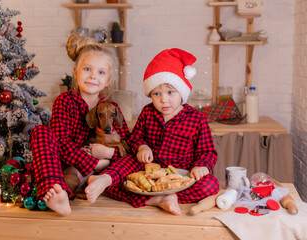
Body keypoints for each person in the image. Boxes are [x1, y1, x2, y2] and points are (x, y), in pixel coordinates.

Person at [95, 48, 219, 215]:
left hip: (181, 176)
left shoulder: (197, 119)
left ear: (182, 92)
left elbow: (208, 151)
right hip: (147, 170)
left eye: (170, 92)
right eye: (157, 93)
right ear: (150, 95)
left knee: (210, 185)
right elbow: (136, 136)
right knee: (125, 165)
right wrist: (142, 147)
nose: (163, 99)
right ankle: (106, 179)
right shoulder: (148, 112)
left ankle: (165, 196)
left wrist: (202, 165)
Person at [29, 34, 132, 216]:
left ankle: (100, 183)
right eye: (87, 69)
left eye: (101, 72)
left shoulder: (112, 108)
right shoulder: (64, 102)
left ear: (107, 80)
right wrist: (94, 162)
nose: (93, 76)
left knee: (133, 158)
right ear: (76, 73)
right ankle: (57, 191)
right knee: (41, 132)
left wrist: (108, 154)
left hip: (106, 170)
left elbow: (128, 144)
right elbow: (61, 142)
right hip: (71, 168)